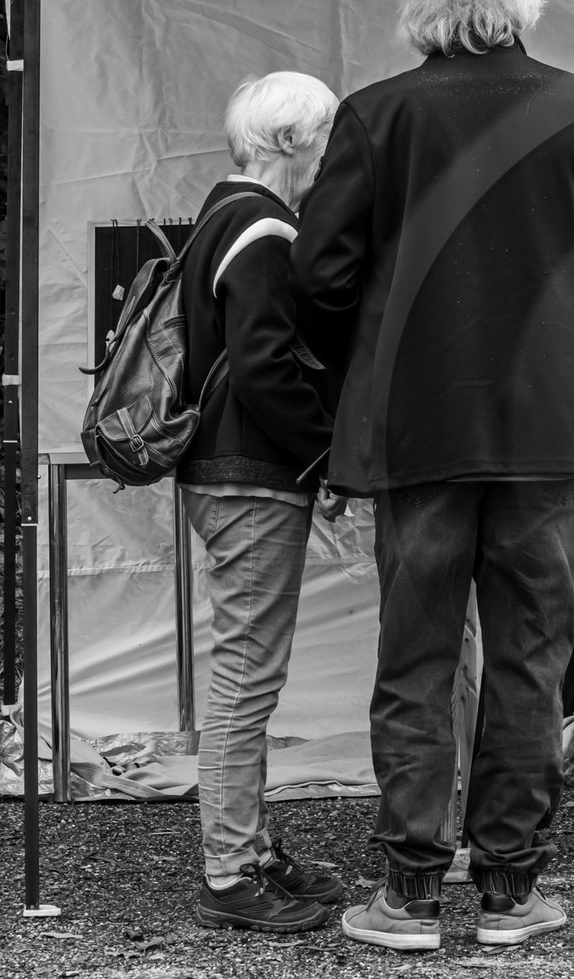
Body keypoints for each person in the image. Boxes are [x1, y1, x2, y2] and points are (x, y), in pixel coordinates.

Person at [292, 0, 574, 951]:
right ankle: (509, 892)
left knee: (414, 657)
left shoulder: (376, 114)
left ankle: (408, 894)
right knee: (530, 660)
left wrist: (364, 351)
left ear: (421, 13)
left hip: (420, 424)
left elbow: (318, 278)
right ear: (520, 6)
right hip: (550, 424)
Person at [180, 71, 348, 933]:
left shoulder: (219, 213)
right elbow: (266, 367)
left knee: (250, 672)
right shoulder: (261, 227)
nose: (330, 157)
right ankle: (226, 870)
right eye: (324, 138)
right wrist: (330, 454)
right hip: (249, 473)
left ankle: (247, 848)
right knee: (247, 677)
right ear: (292, 141)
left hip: (227, 472)